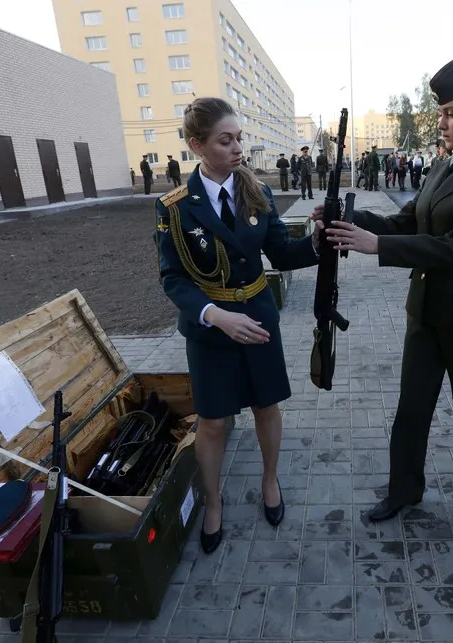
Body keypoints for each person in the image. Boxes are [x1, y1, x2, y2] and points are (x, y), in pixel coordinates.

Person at [314, 54, 453, 519]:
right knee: (412, 408)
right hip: (426, 310)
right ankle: (404, 489)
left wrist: (378, 247)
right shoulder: (443, 166)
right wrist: (349, 220)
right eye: (441, 113)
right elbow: (407, 220)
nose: (443, 121)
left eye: (451, 113)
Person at [154, 97, 323, 553]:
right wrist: (214, 315)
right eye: (225, 140)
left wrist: (318, 240)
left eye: (239, 139)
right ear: (197, 145)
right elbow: (173, 277)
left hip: (257, 318)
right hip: (210, 328)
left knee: (266, 407)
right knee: (212, 422)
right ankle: (213, 501)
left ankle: (270, 480)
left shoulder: (257, 192)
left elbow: (281, 254)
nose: (237, 149)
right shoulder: (174, 207)